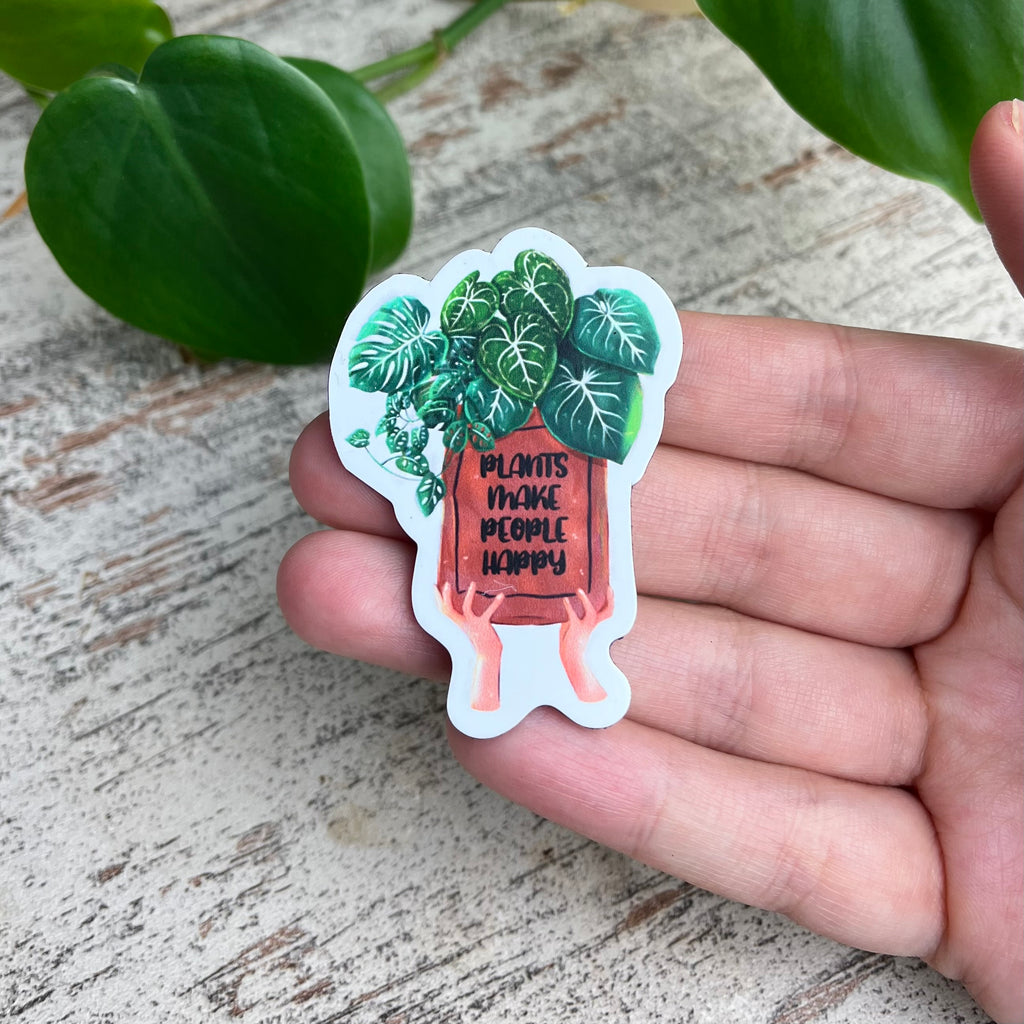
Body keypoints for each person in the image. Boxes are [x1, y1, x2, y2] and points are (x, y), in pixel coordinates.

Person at [277, 101, 1023, 1023]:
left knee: (573, 576)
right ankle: (495, 667)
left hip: (563, 489)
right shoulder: (468, 373)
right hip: (493, 487)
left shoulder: (585, 367)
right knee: (467, 592)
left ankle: (566, 661)